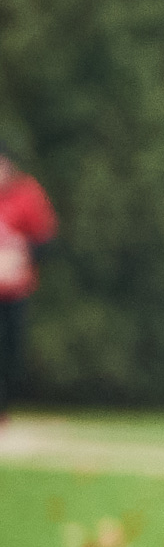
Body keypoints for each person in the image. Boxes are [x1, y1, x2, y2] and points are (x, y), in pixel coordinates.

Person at [0, 145, 60, 422]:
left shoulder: (26, 193)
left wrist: (22, 253)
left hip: (14, 289)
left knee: (10, 350)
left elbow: (47, 240)